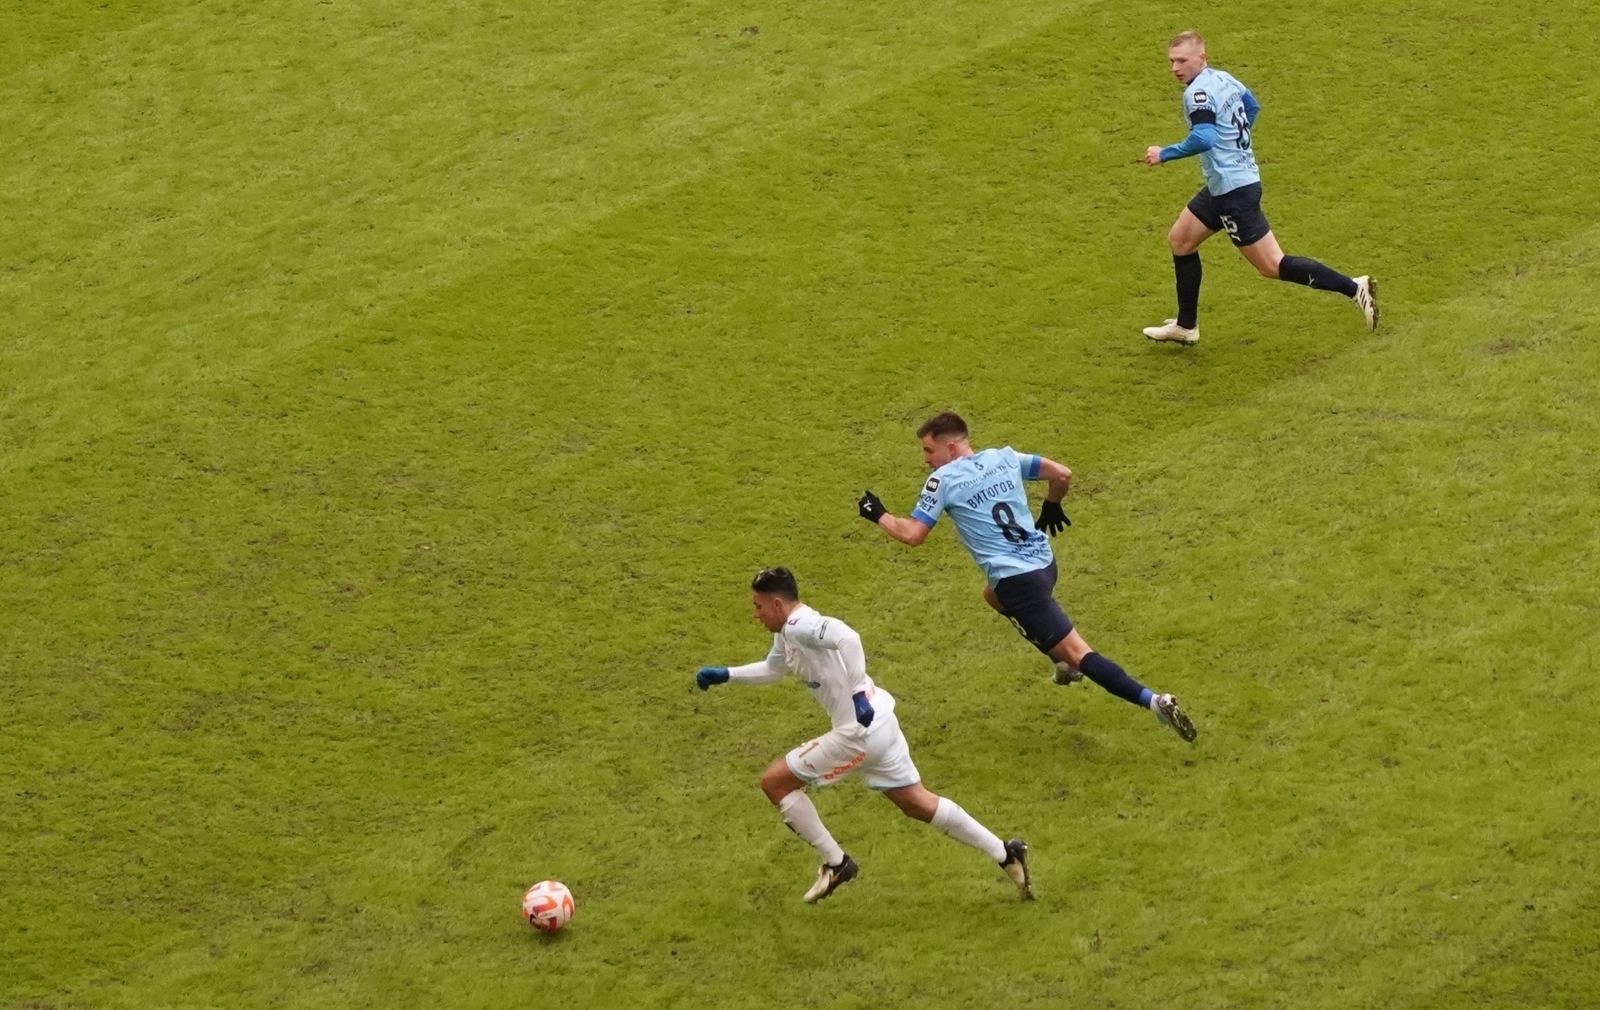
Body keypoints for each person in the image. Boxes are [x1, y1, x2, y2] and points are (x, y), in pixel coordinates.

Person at [694, 566, 1033, 904]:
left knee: (775, 783)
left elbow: (848, 637)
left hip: (858, 733)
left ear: (778, 604)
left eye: (758, 606)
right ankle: (1005, 853)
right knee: (916, 803)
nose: (755, 614)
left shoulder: (801, 626)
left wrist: (856, 691)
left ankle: (836, 863)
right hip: (880, 720)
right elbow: (773, 668)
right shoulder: (786, 633)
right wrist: (726, 675)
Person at [856, 411, 1197, 742]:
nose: (926, 460)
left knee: (1079, 653)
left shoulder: (942, 480)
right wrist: (1052, 506)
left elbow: (914, 534)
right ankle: (1061, 662)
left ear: (952, 447)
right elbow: (1061, 474)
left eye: (929, 451)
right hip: (1044, 564)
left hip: (1019, 582)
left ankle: (1154, 701)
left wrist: (879, 515)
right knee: (992, 595)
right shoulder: (1004, 457)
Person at [1140, 30, 1377, 346]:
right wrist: (1233, 143)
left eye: (1182, 61)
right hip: (1227, 184)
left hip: (1233, 193)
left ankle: (1354, 287)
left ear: (1201, 57)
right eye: (1172, 61)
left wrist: (1164, 153)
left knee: (1271, 265)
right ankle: (1186, 326)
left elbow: (1204, 138)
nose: (1175, 68)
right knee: (1181, 240)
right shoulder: (1224, 79)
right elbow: (1251, 106)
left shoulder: (1197, 93)